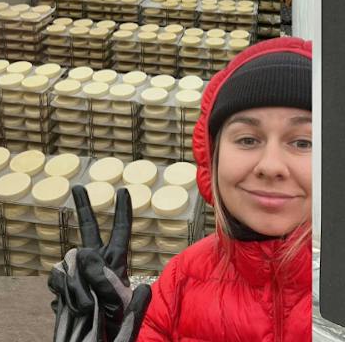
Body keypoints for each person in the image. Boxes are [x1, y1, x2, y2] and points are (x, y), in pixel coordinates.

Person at [49, 36, 311, 342]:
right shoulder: (178, 284)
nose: (271, 165)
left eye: (303, 142)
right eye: (247, 139)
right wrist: (115, 330)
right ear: (212, 156)